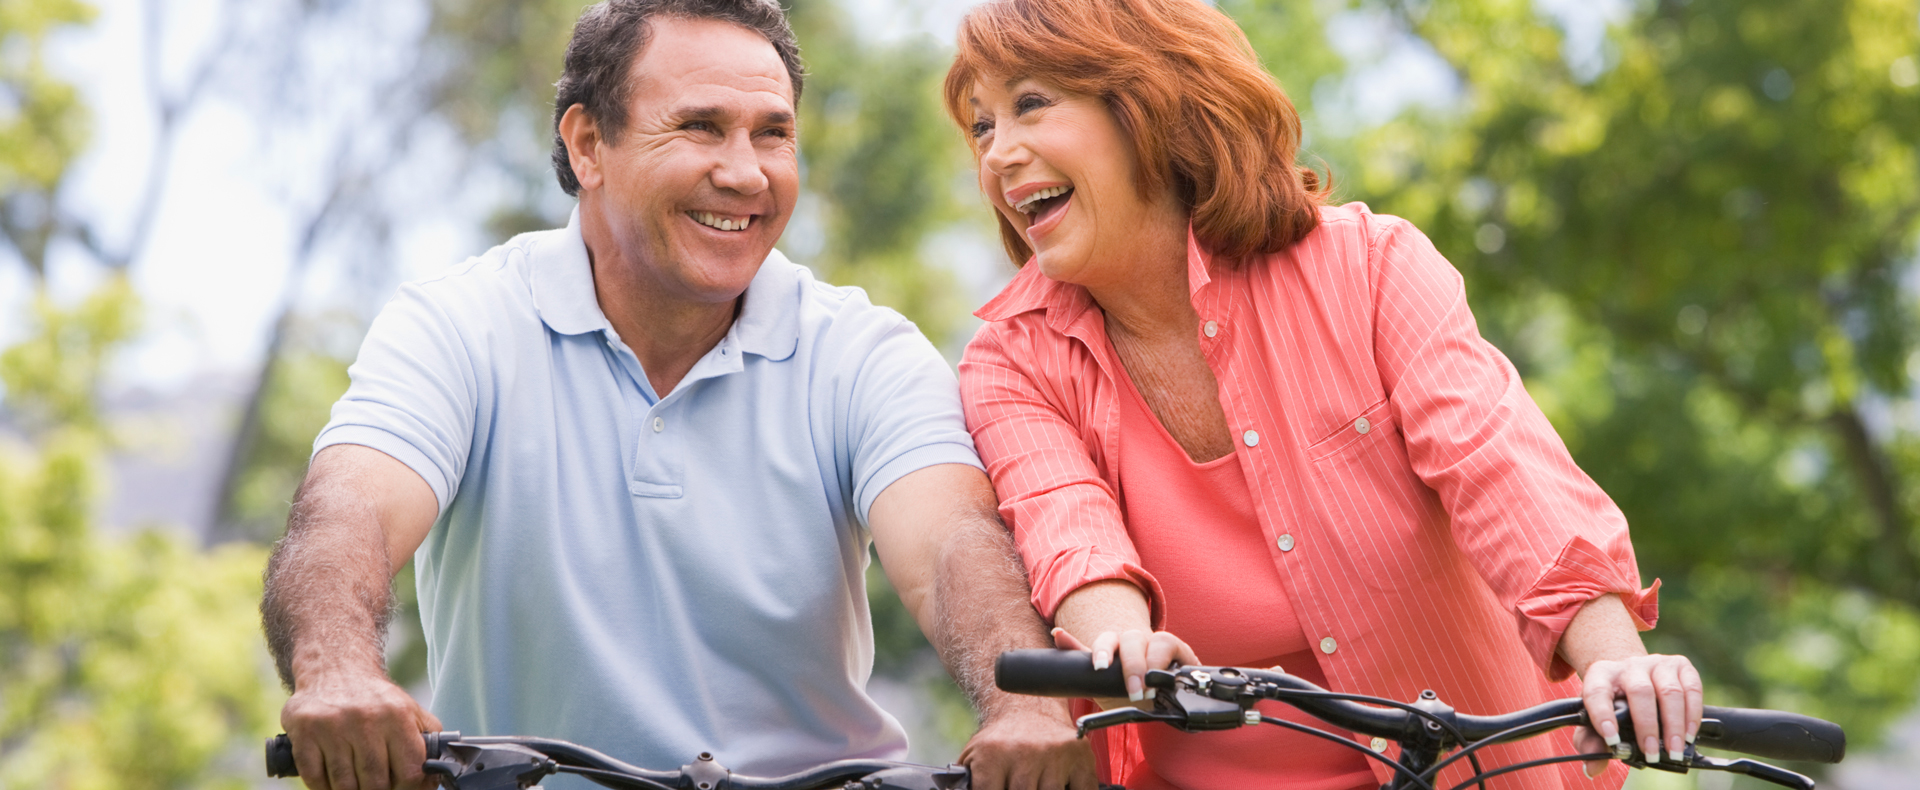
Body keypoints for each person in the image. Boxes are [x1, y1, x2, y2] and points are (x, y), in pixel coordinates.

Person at [259, 3, 1095, 790]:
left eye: (773, 135)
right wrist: (338, 673)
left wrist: (1022, 705)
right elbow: (348, 514)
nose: (744, 173)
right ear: (588, 145)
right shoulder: (460, 325)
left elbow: (952, 545)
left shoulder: (861, 351)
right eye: (701, 127)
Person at [943, 1, 1702, 789]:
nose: (998, 154)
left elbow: (1500, 469)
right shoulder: (1008, 361)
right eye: (981, 127)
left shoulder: (1370, 267)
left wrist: (1615, 657)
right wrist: (1122, 641)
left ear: (1148, 104)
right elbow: (1066, 524)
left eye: (1030, 104)